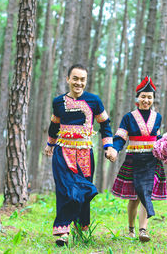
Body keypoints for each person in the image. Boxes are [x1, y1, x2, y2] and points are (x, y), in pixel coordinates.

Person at [44, 64, 116, 247]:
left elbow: (105, 125)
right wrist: (50, 144)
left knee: (85, 190)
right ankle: (63, 233)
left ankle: (78, 229)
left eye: (82, 79)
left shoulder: (94, 101)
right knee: (65, 190)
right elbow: (54, 126)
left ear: (86, 81)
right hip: (62, 153)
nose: (79, 83)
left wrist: (108, 146)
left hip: (85, 154)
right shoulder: (58, 102)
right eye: (75, 78)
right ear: (68, 79)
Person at [108, 76, 167, 242]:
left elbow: (157, 137)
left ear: (153, 99)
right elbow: (120, 137)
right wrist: (114, 149)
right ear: (137, 98)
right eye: (143, 96)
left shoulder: (158, 117)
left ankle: (143, 230)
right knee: (134, 198)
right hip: (133, 159)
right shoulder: (128, 117)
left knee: (145, 194)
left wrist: (166, 148)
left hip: (151, 161)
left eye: (149, 97)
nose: (146, 100)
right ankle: (131, 229)